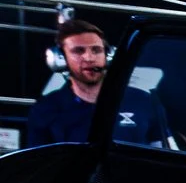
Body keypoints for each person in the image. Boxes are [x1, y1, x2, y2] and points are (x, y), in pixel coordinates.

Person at [20, 18, 170, 148]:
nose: (89, 58)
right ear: (61, 59)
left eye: (96, 50)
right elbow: (41, 168)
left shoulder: (144, 101)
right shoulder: (45, 110)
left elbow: (165, 155)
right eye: (78, 51)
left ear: (108, 55)